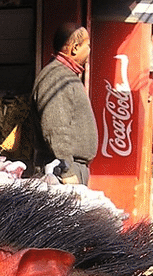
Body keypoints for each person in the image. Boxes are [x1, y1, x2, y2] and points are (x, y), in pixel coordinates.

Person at [32, 23, 97, 186]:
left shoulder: (63, 74)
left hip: (65, 168)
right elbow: (56, 127)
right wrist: (67, 171)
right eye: (87, 46)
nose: (89, 50)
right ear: (75, 48)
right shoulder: (56, 77)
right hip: (59, 172)